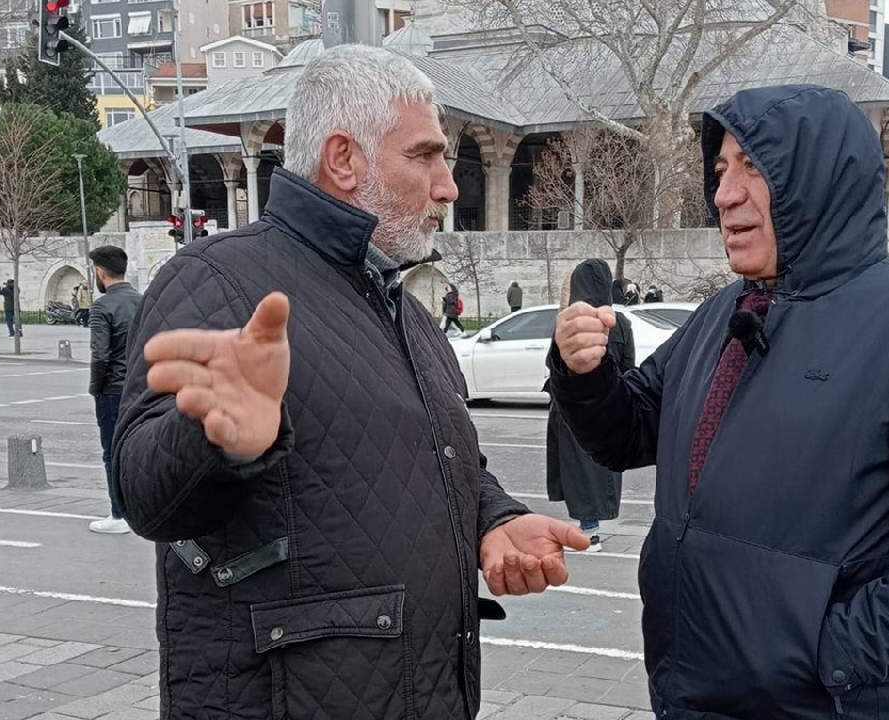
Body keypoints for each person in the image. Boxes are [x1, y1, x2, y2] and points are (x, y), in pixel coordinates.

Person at [112, 44, 587, 719]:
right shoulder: (217, 280)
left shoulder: (405, 308)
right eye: (424, 156)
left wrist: (495, 518)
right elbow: (144, 493)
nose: (449, 186)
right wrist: (216, 438)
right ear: (344, 160)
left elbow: (434, 458)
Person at [548, 85, 889, 719]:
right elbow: (628, 433)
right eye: (721, 170)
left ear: (820, 179)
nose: (724, 194)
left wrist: (832, 655)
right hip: (685, 689)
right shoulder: (725, 310)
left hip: (818, 702)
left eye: (753, 166)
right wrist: (584, 375)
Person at [546, 260, 633, 553]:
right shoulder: (622, 323)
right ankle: (591, 528)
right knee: (599, 470)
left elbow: (554, 364)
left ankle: (589, 532)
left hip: (574, 411)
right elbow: (629, 367)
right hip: (610, 408)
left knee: (579, 473)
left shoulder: (570, 323)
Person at [86, 247, 142, 534]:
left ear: (100, 272)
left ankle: (118, 515)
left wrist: (95, 389)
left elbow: (101, 355)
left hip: (113, 389)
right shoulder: (141, 300)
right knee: (138, 451)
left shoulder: (102, 306)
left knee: (112, 453)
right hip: (141, 387)